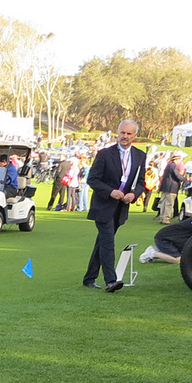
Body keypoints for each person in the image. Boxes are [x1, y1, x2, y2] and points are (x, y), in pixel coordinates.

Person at [82, 119, 146, 292]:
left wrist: (134, 194)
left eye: (128, 134)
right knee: (108, 242)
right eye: (122, 133)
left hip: (121, 207)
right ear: (117, 133)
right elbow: (92, 179)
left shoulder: (140, 156)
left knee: (102, 242)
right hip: (103, 206)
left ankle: (89, 278)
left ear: (135, 136)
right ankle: (111, 280)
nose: (124, 136)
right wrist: (110, 191)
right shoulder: (104, 154)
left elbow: (141, 182)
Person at [158, 152, 184, 223]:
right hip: (172, 187)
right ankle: (166, 218)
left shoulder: (169, 165)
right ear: (176, 159)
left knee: (164, 202)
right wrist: (185, 179)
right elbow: (177, 176)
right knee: (169, 203)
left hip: (165, 186)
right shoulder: (174, 166)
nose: (180, 161)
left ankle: (162, 217)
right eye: (179, 159)